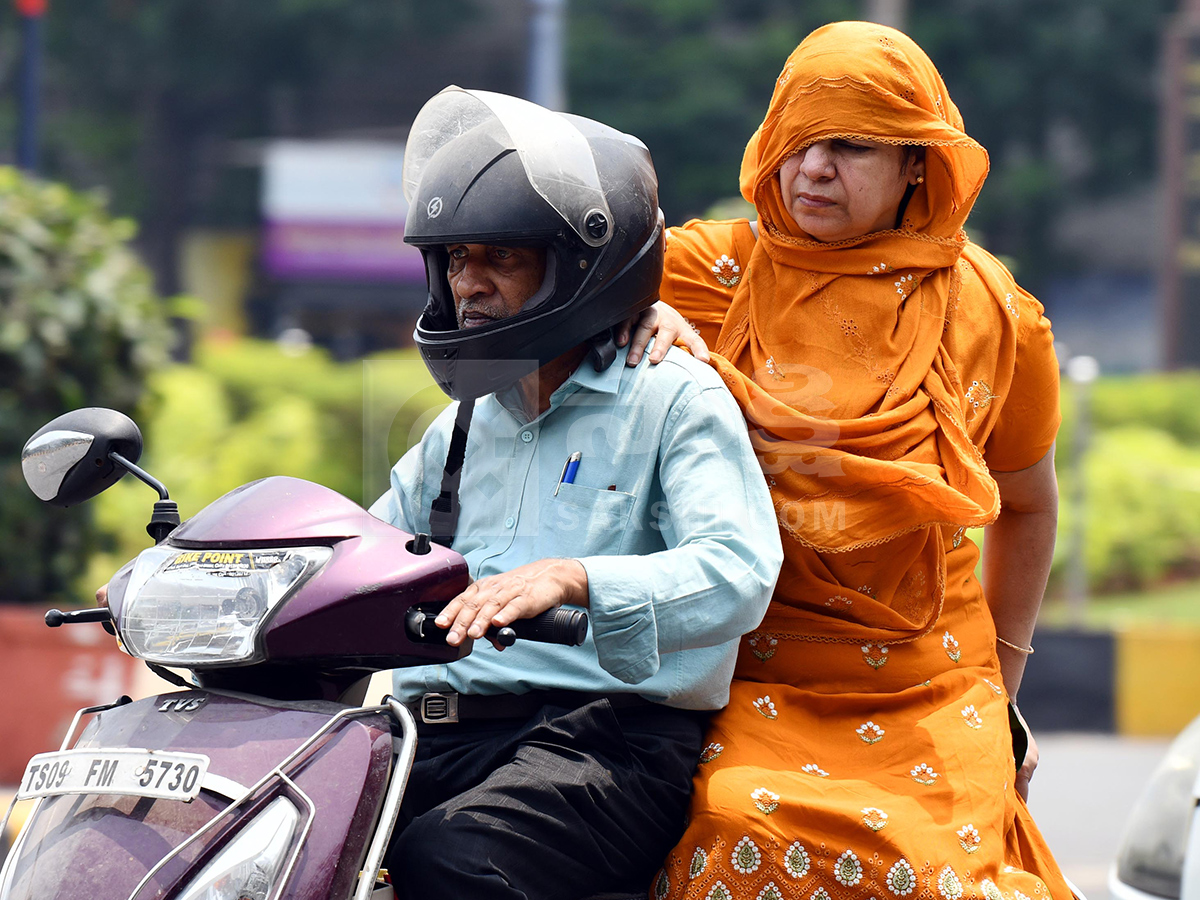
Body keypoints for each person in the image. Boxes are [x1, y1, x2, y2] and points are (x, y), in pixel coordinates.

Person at [632, 22, 1072, 900]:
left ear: (919, 163)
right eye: (797, 142)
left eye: (850, 146)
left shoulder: (993, 312)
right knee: (731, 826)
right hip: (754, 675)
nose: (813, 170)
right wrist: (632, 316)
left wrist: (1002, 691)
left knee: (939, 876)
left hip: (935, 683)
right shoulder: (703, 275)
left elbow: (1030, 506)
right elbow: (545, 289)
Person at [366, 88, 782, 900]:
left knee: (452, 863)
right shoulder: (459, 428)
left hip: (602, 745)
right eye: (455, 260)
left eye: (501, 258)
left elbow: (739, 570)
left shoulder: (670, 398)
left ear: (580, 266)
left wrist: (576, 578)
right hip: (431, 739)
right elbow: (359, 552)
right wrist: (224, 570)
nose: (471, 285)